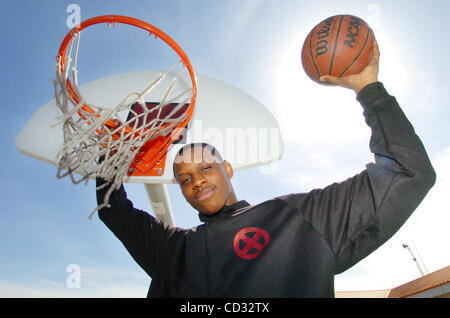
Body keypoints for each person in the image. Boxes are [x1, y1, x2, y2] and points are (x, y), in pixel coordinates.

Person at [96, 41, 436, 297]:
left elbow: (408, 171)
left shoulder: (296, 218)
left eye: (205, 168)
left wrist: (367, 87)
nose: (196, 181)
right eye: (185, 179)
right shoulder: (173, 249)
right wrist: (110, 153)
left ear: (227, 167)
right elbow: (112, 209)